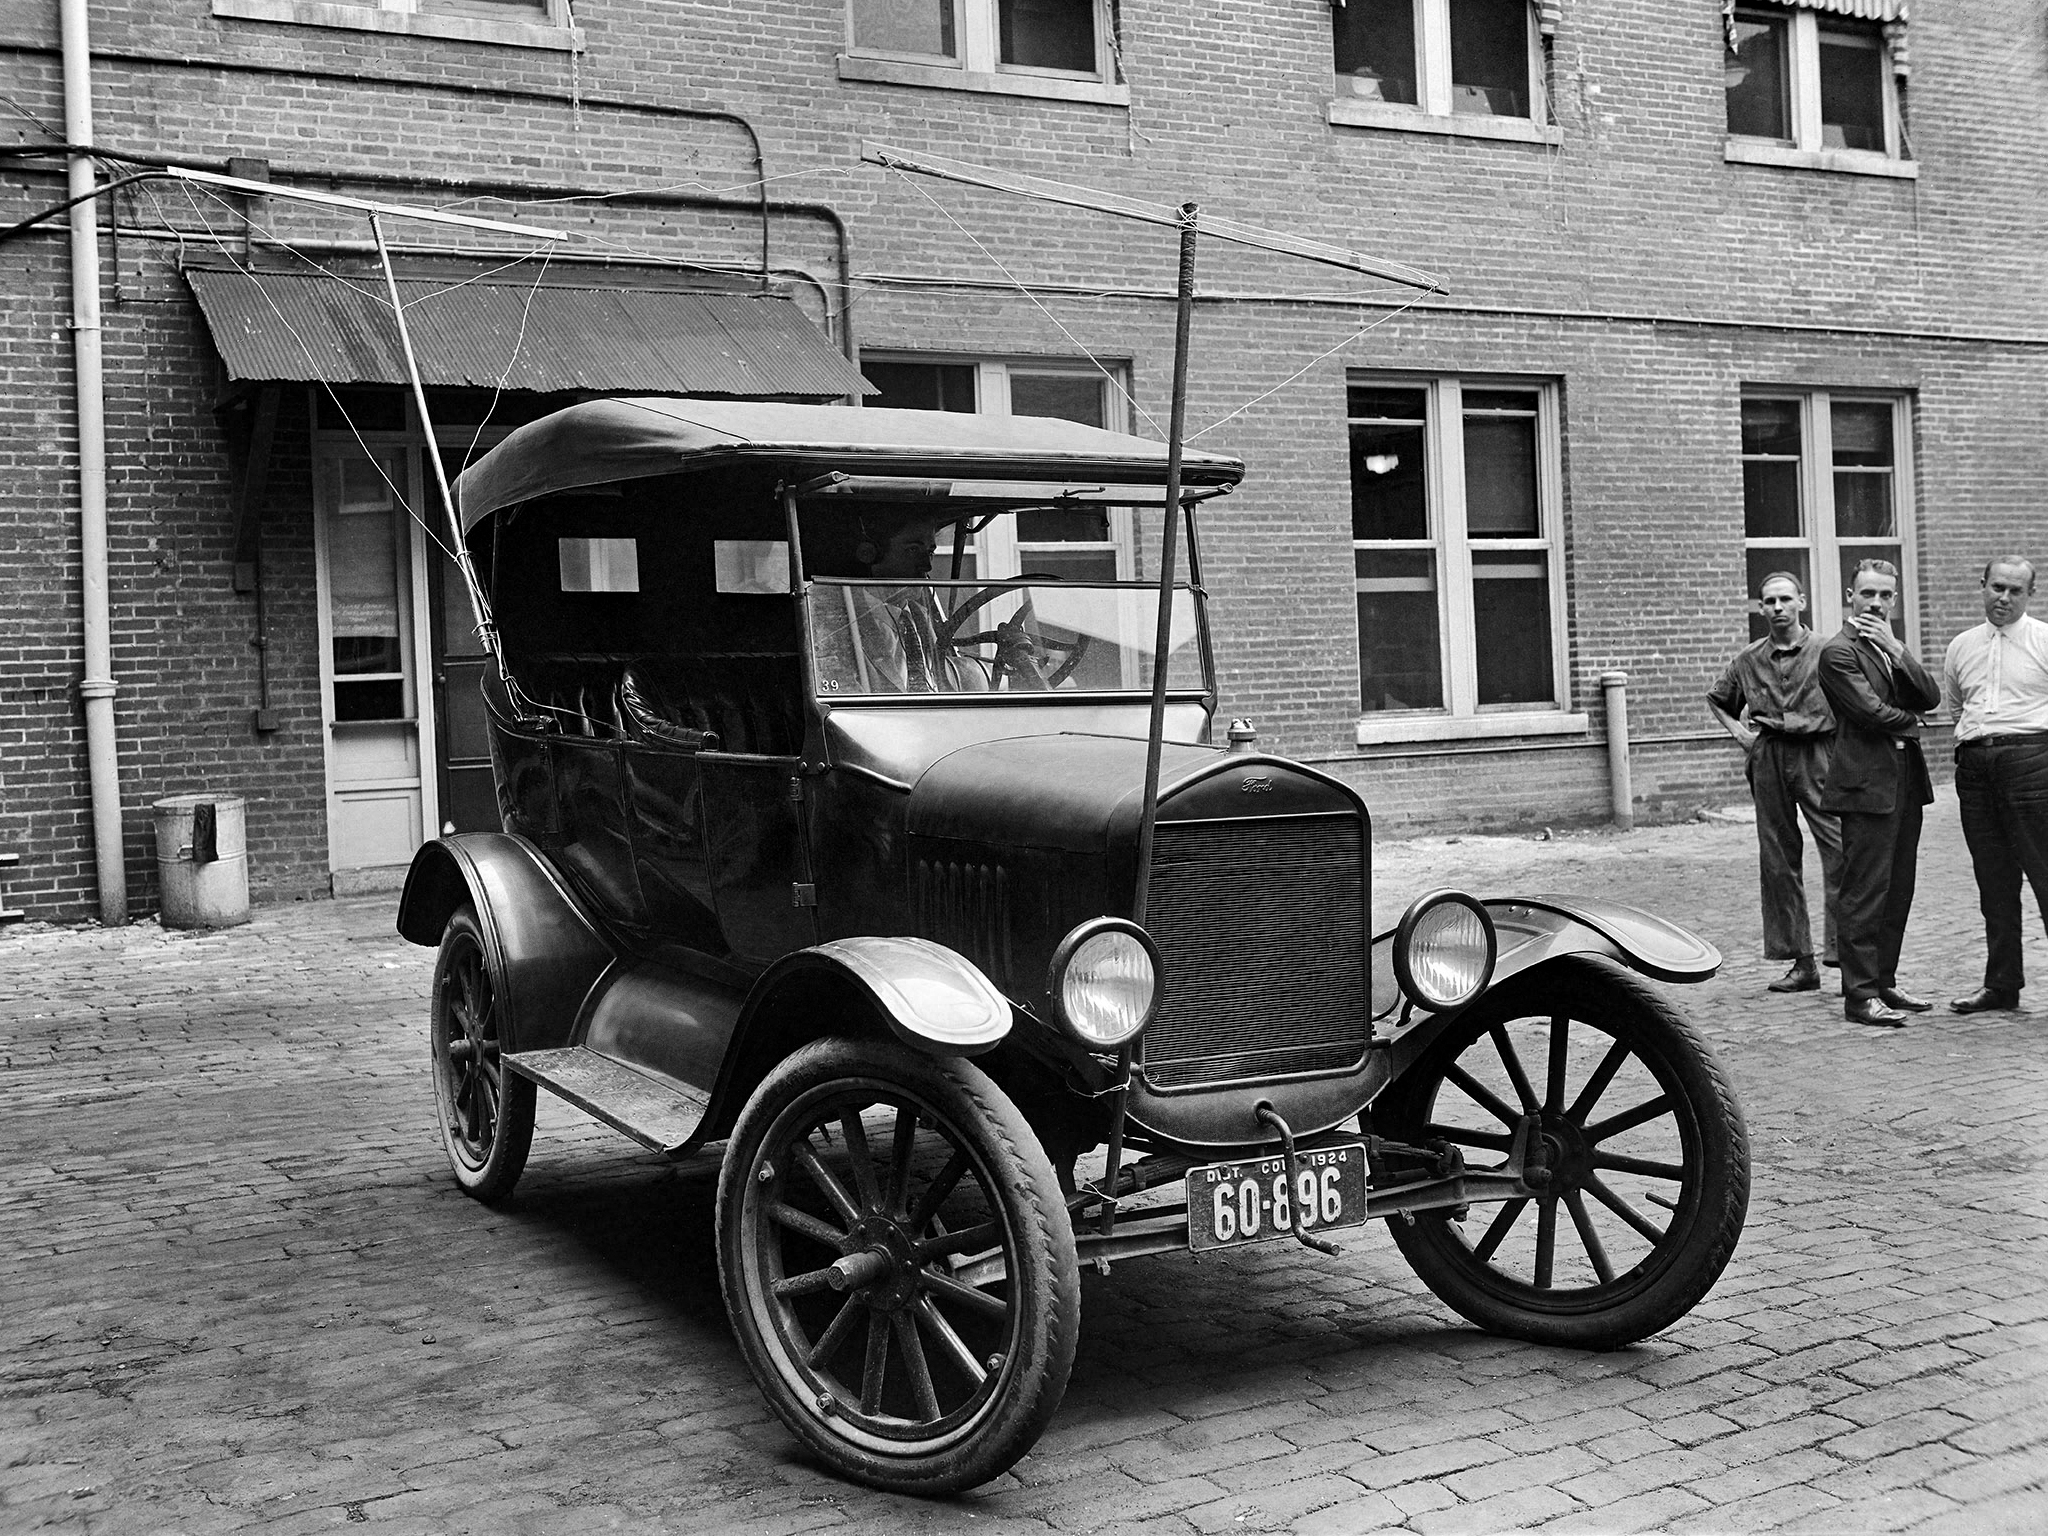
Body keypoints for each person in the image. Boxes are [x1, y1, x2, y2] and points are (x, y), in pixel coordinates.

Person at [1817, 559, 1942, 1027]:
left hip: (1905, 782)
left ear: (1894, 599)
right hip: (1865, 785)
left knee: (1898, 888)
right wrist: (1911, 724)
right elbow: (1868, 711)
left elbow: (1929, 696)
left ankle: (1884, 981)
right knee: (1865, 891)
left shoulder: (1887, 647)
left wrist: (1899, 649)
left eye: (1885, 595)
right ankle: (1860, 995)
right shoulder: (1837, 651)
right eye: (1867, 593)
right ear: (1850, 595)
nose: (1875, 603)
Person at [1706, 572, 1843, 993]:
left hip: (1819, 753)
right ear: (1761, 608)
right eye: (1769, 601)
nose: (1778, 607)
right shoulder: (1748, 659)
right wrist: (1742, 735)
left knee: (1841, 849)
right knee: (1779, 859)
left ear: (1801, 601)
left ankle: (1850, 957)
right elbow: (1718, 699)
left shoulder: (1828, 651)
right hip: (1768, 757)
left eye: (1785, 599)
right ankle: (1803, 964)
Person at [1940, 556, 2048, 1014]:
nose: (2004, 598)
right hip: (1975, 770)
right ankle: (2002, 985)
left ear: (2030, 594)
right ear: (1982, 585)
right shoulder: (1961, 645)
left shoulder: (2044, 640)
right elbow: (1956, 706)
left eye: (2015, 591)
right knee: (1994, 883)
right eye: (1997, 587)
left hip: (2033, 766)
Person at [840, 512, 1047, 693]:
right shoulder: (843, 623)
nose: (927, 565)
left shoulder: (921, 618)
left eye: (930, 552)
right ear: (869, 554)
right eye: (913, 550)